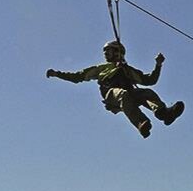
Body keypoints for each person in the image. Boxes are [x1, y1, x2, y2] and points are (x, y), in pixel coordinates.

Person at [46, 40, 185, 138]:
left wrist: (158, 65)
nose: (106, 53)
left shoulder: (127, 69)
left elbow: (150, 80)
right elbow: (78, 77)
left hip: (130, 95)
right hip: (112, 95)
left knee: (147, 93)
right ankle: (141, 122)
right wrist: (57, 74)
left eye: (109, 50)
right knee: (122, 94)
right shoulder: (101, 68)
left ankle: (164, 113)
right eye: (105, 51)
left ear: (118, 52)